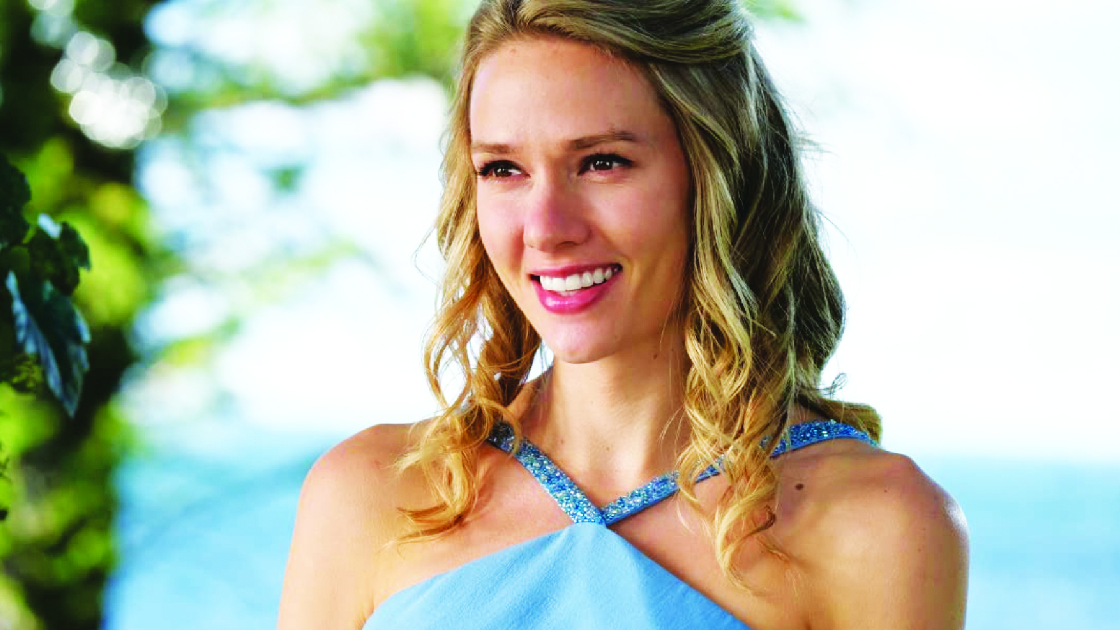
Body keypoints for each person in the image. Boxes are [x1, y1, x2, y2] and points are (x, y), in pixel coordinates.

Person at [278, 0, 969, 628]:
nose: (546, 228)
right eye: (503, 169)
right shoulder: (368, 496)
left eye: (602, 162)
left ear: (719, 177)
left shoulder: (876, 525)